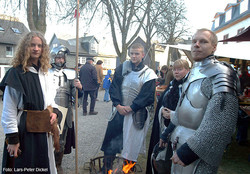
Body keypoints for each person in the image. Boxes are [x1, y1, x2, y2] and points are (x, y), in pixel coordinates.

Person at [159, 28, 239, 173]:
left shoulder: (221, 73)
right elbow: (181, 114)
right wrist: (166, 134)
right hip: (178, 144)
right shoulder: (193, 73)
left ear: (214, 47)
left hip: (198, 153)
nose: (196, 44)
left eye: (203, 41)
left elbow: (222, 123)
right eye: (194, 41)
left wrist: (189, 151)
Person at [0, 31, 60, 173]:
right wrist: (13, 139)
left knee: (42, 164)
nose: (36, 49)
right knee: (24, 166)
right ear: (25, 47)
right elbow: (9, 108)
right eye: (32, 45)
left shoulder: (45, 72)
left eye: (39, 46)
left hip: (43, 129)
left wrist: (55, 112)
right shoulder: (16, 73)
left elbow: (50, 99)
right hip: (25, 130)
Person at [100, 43, 158, 173]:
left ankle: (127, 170)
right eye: (131, 53)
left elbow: (147, 95)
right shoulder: (122, 68)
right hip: (119, 111)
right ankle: (106, 168)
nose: (133, 56)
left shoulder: (148, 74)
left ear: (143, 55)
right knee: (111, 141)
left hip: (136, 113)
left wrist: (132, 107)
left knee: (131, 144)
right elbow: (114, 87)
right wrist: (118, 105)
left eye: (137, 53)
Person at [146, 59, 190, 174]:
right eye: (174, 69)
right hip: (167, 128)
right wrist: (162, 111)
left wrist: (173, 115)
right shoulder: (172, 85)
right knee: (165, 161)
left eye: (180, 69)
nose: (176, 72)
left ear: (187, 70)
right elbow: (163, 104)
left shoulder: (189, 87)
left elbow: (189, 113)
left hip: (181, 132)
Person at [49, 45, 83, 172]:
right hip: (49, 110)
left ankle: (58, 164)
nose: (60, 60)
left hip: (65, 111)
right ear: (53, 58)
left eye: (62, 58)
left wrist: (79, 88)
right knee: (47, 138)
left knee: (61, 140)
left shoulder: (71, 73)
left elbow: (76, 95)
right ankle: (47, 163)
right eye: (57, 58)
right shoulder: (46, 72)